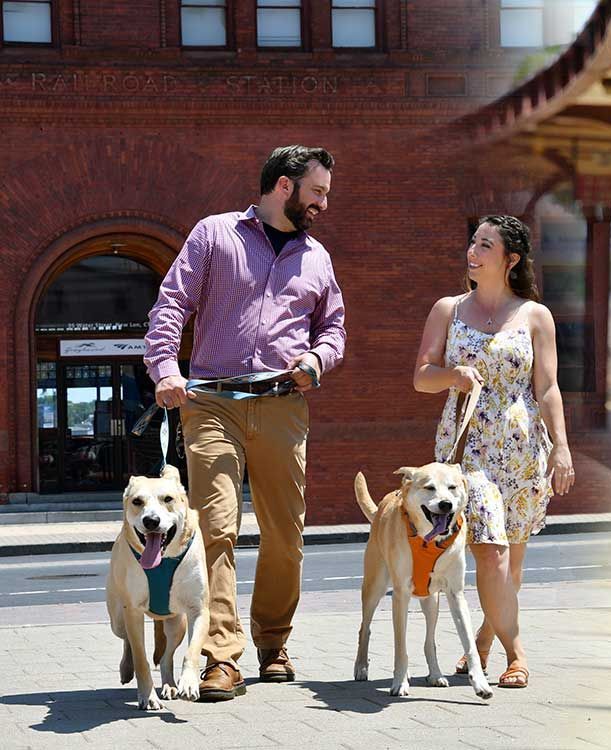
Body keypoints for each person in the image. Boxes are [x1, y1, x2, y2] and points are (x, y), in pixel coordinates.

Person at [145, 145, 346, 701]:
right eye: (318, 192)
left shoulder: (318, 259)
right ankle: (220, 654)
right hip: (211, 404)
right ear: (285, 186)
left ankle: (273, 641)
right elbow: (170, 306)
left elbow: (334, 329)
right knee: (217, 528)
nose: (324, 203)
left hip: (284, 403)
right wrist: (165, 369)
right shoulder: (214, 235)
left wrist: (316, 360)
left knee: (285, 534)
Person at [413, 214, 574, 689]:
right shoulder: (448, 310)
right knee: (492, 553)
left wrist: (561, 448)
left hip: (522, 450)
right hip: (468, 452)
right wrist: (453, 376)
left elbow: (547, 389)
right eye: (473, 242)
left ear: (511, 259)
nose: (473, 251)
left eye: (486, 245)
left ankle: (482, 642)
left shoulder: (534, 316)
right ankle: (517, 653)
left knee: (512, 563)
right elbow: (422, 376)